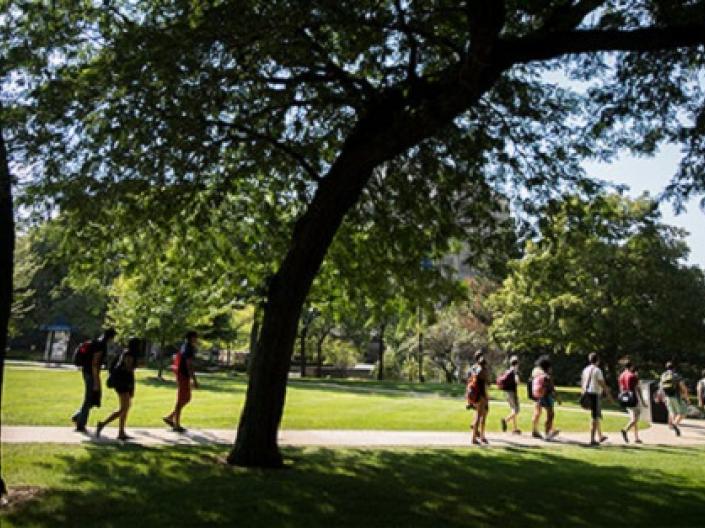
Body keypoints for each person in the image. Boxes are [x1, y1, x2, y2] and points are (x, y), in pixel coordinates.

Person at [71, 328, 116, 433]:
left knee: (94, 398)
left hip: (87, 372)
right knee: (89, 398)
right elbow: (95, 364)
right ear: (110, 337)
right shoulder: (100, 345)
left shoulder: (96, 342)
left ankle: (78, 416)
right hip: (91, 374)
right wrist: (96, 381)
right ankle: (80, 424)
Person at [96, 337, 139, 441]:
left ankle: (121, 432)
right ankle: (103, 424)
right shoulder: (129, 354)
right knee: (124, 408)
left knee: (125, 408)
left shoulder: (126, 353)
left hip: (123, 383)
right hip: (122, 384)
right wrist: (132, 387)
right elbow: (129, 371)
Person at [163, 331, 199, 433]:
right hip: (183, 375)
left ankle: (171, 417)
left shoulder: (185, 346)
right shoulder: (188, 348)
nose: (197, 339)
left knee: (186, 398)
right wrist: (194, 379)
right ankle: (176, 425)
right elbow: (189, 365)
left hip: (182, 375)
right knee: (182, 399)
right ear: (191, 338)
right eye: (196, 337)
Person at [581, 352, 614, 446]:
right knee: (594, 417)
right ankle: (592, 439)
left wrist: (583, 393)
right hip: (595, 394)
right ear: (598, 360)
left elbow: (583, 382)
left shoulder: (585, 369)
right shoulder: (597, 370)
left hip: (587, 393)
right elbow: (602, 384)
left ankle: (600, 436)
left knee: (596, 416)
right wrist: (609, 395)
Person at [530, 356, 561, 441]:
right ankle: (547, 434)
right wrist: (558, 398)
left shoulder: (539, 375)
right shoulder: (547, 377)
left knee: (543, 414)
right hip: (547, 397)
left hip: (540, 397)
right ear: (548, 367)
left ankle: (543, 431)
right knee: (550, 415)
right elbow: (552, 389)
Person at [618, 360, 646, 444]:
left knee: (633, 418)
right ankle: (625, 430)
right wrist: (643, 401)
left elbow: (621, 388)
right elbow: (638, 389)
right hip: (633, 398)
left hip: (625, 398)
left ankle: (636, 437)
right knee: (635, 418)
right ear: (632, 366)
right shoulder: (633, 376)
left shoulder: (621, 376)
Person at [660, 361, 689, 436]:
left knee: (672, 412)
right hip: (677, 397)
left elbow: (661, 387)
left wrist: (663, 397)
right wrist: (687, 398)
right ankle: (675, 424)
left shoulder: (663, 375)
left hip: (668, 397)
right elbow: (683, 387)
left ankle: (673, 425)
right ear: (674, 368)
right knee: (683, 413)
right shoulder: (676, 375)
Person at [467, 351, 490, 445]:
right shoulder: (482, 372)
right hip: (482, 396)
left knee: (480, 416)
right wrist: (487, 397)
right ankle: (475, 438)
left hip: (476, 396)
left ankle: (481, 436)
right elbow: (486, 385)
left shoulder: (475, 370)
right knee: (481, 417)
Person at [499, 355, 521, 435]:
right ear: (517, 363)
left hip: (506, 393)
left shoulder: (507, 371)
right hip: (512, 393)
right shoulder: (514, 371)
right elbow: (517, 381)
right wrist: (518, 380)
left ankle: (515, 428)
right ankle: (505, 420)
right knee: (517, 410)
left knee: (513, 410)